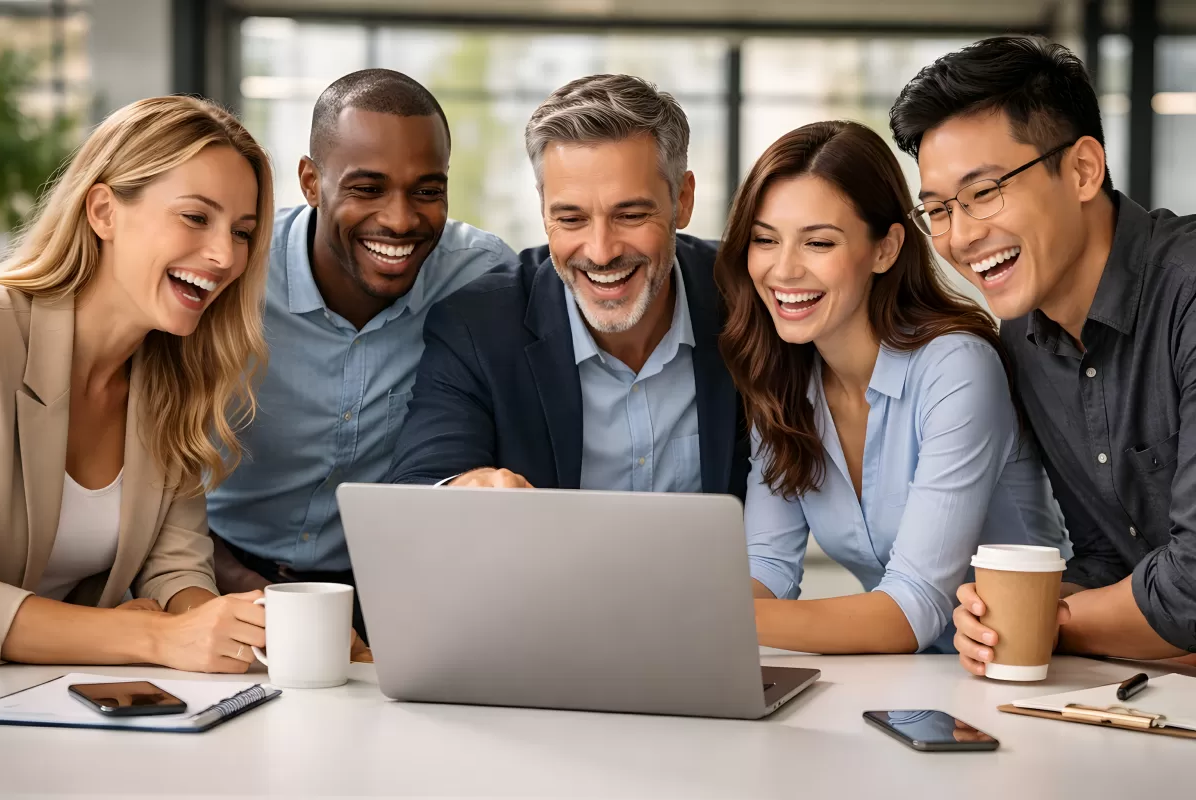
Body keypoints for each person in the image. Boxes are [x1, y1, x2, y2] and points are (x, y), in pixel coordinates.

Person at [890, 35, 1196, 670]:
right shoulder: (1022, 336)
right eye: (939, 209)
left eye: (984, 192)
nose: (963, 236)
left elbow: (1192, 592)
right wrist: (1002, 612)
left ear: (1083, 169)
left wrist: (1038, 620)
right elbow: (1108, 557)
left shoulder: (1188, 295)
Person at [718, 120, 1070, 654]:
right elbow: (768, 567)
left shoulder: (957, 368)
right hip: (912, 684)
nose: (783, 269)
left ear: (886, 250)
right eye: (764, 240)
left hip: (1030, 672)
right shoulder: (783, 380)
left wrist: (698, 616)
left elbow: (915, 606)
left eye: (818, 242)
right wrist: (692, 610)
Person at [205, 69, 516, 643]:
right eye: (367, 188)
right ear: (309, 181)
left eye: (427, 190)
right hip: (218, 574)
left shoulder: (483, 276)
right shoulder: (234, 273)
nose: (400, 220)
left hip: (392, 595)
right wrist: (241, 589)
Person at [0, 96, 272, 672]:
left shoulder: (172, 378)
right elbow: (160, 633)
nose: (224, 255)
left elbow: (175, 567)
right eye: (196, 217)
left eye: (242, 232)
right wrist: (154, 640)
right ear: (103, 211)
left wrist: (249, 628)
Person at [388, 74, 749, 499]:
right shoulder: (476, 328)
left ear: (683, 200)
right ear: (543, 208)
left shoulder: (747, 296)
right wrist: (464, 488)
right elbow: (421, 482)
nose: (600, 252)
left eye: (630, 215)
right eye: (572, 219)